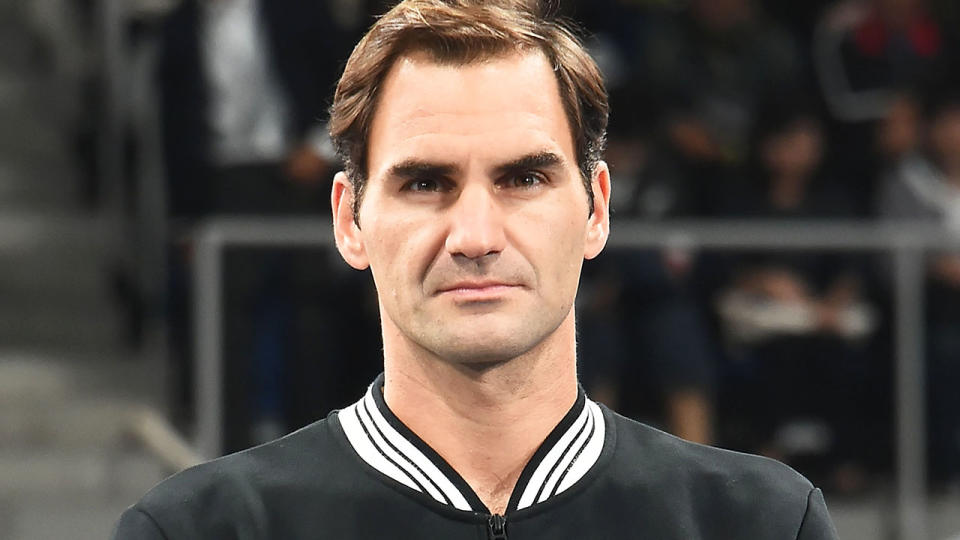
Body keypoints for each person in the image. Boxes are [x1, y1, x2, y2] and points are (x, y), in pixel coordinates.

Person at [113, 1, 840, 538]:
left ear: (596, 210)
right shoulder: (199, 532)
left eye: (524, 179)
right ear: (348, 219)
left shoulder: (763, 524)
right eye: (425, 183)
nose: (476, 235)